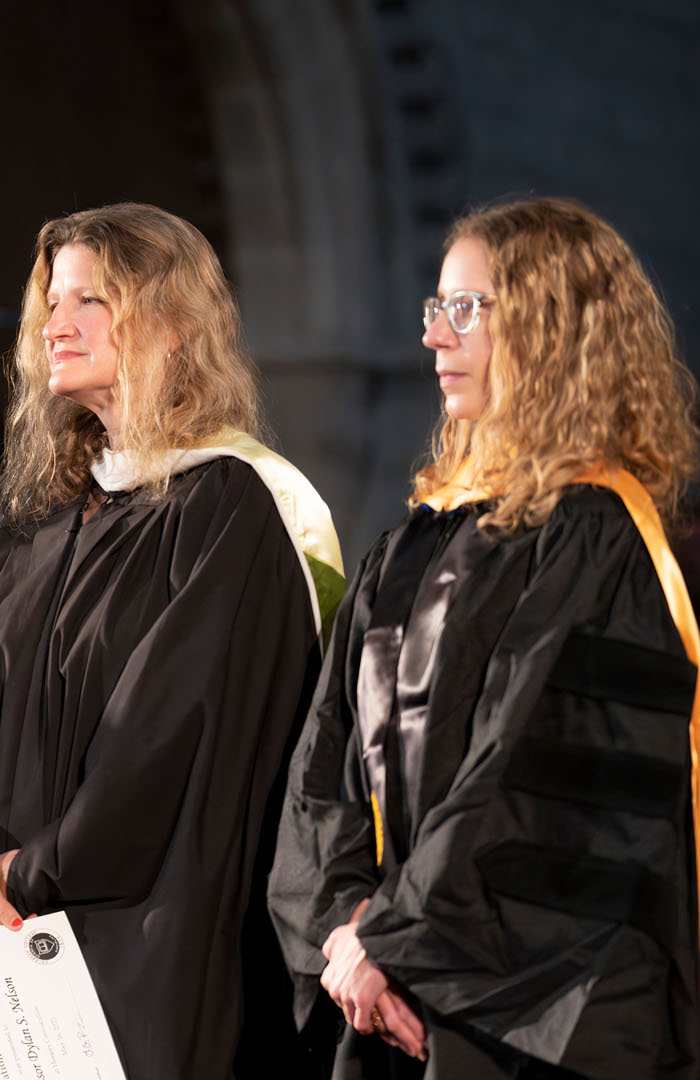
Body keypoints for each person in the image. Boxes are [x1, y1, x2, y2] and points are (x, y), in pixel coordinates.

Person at [0, 202, 344, 1078]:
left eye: (89, 300)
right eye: (51, 303)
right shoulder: (27, 534)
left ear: (171, 326)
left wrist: (29, 874)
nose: (55, 324)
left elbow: (164, 748)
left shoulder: (229, 512)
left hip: (136, 967)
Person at [269, 197, 700, 1078]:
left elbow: (531, 770)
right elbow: (325, 767)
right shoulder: (414, 541)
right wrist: (343, 928)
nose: (435, 336)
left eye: (466, 308)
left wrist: (392, 936)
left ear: (552, 331)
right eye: (436, 308)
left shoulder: (599, 535)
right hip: (388, 997)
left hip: (543, 1015)